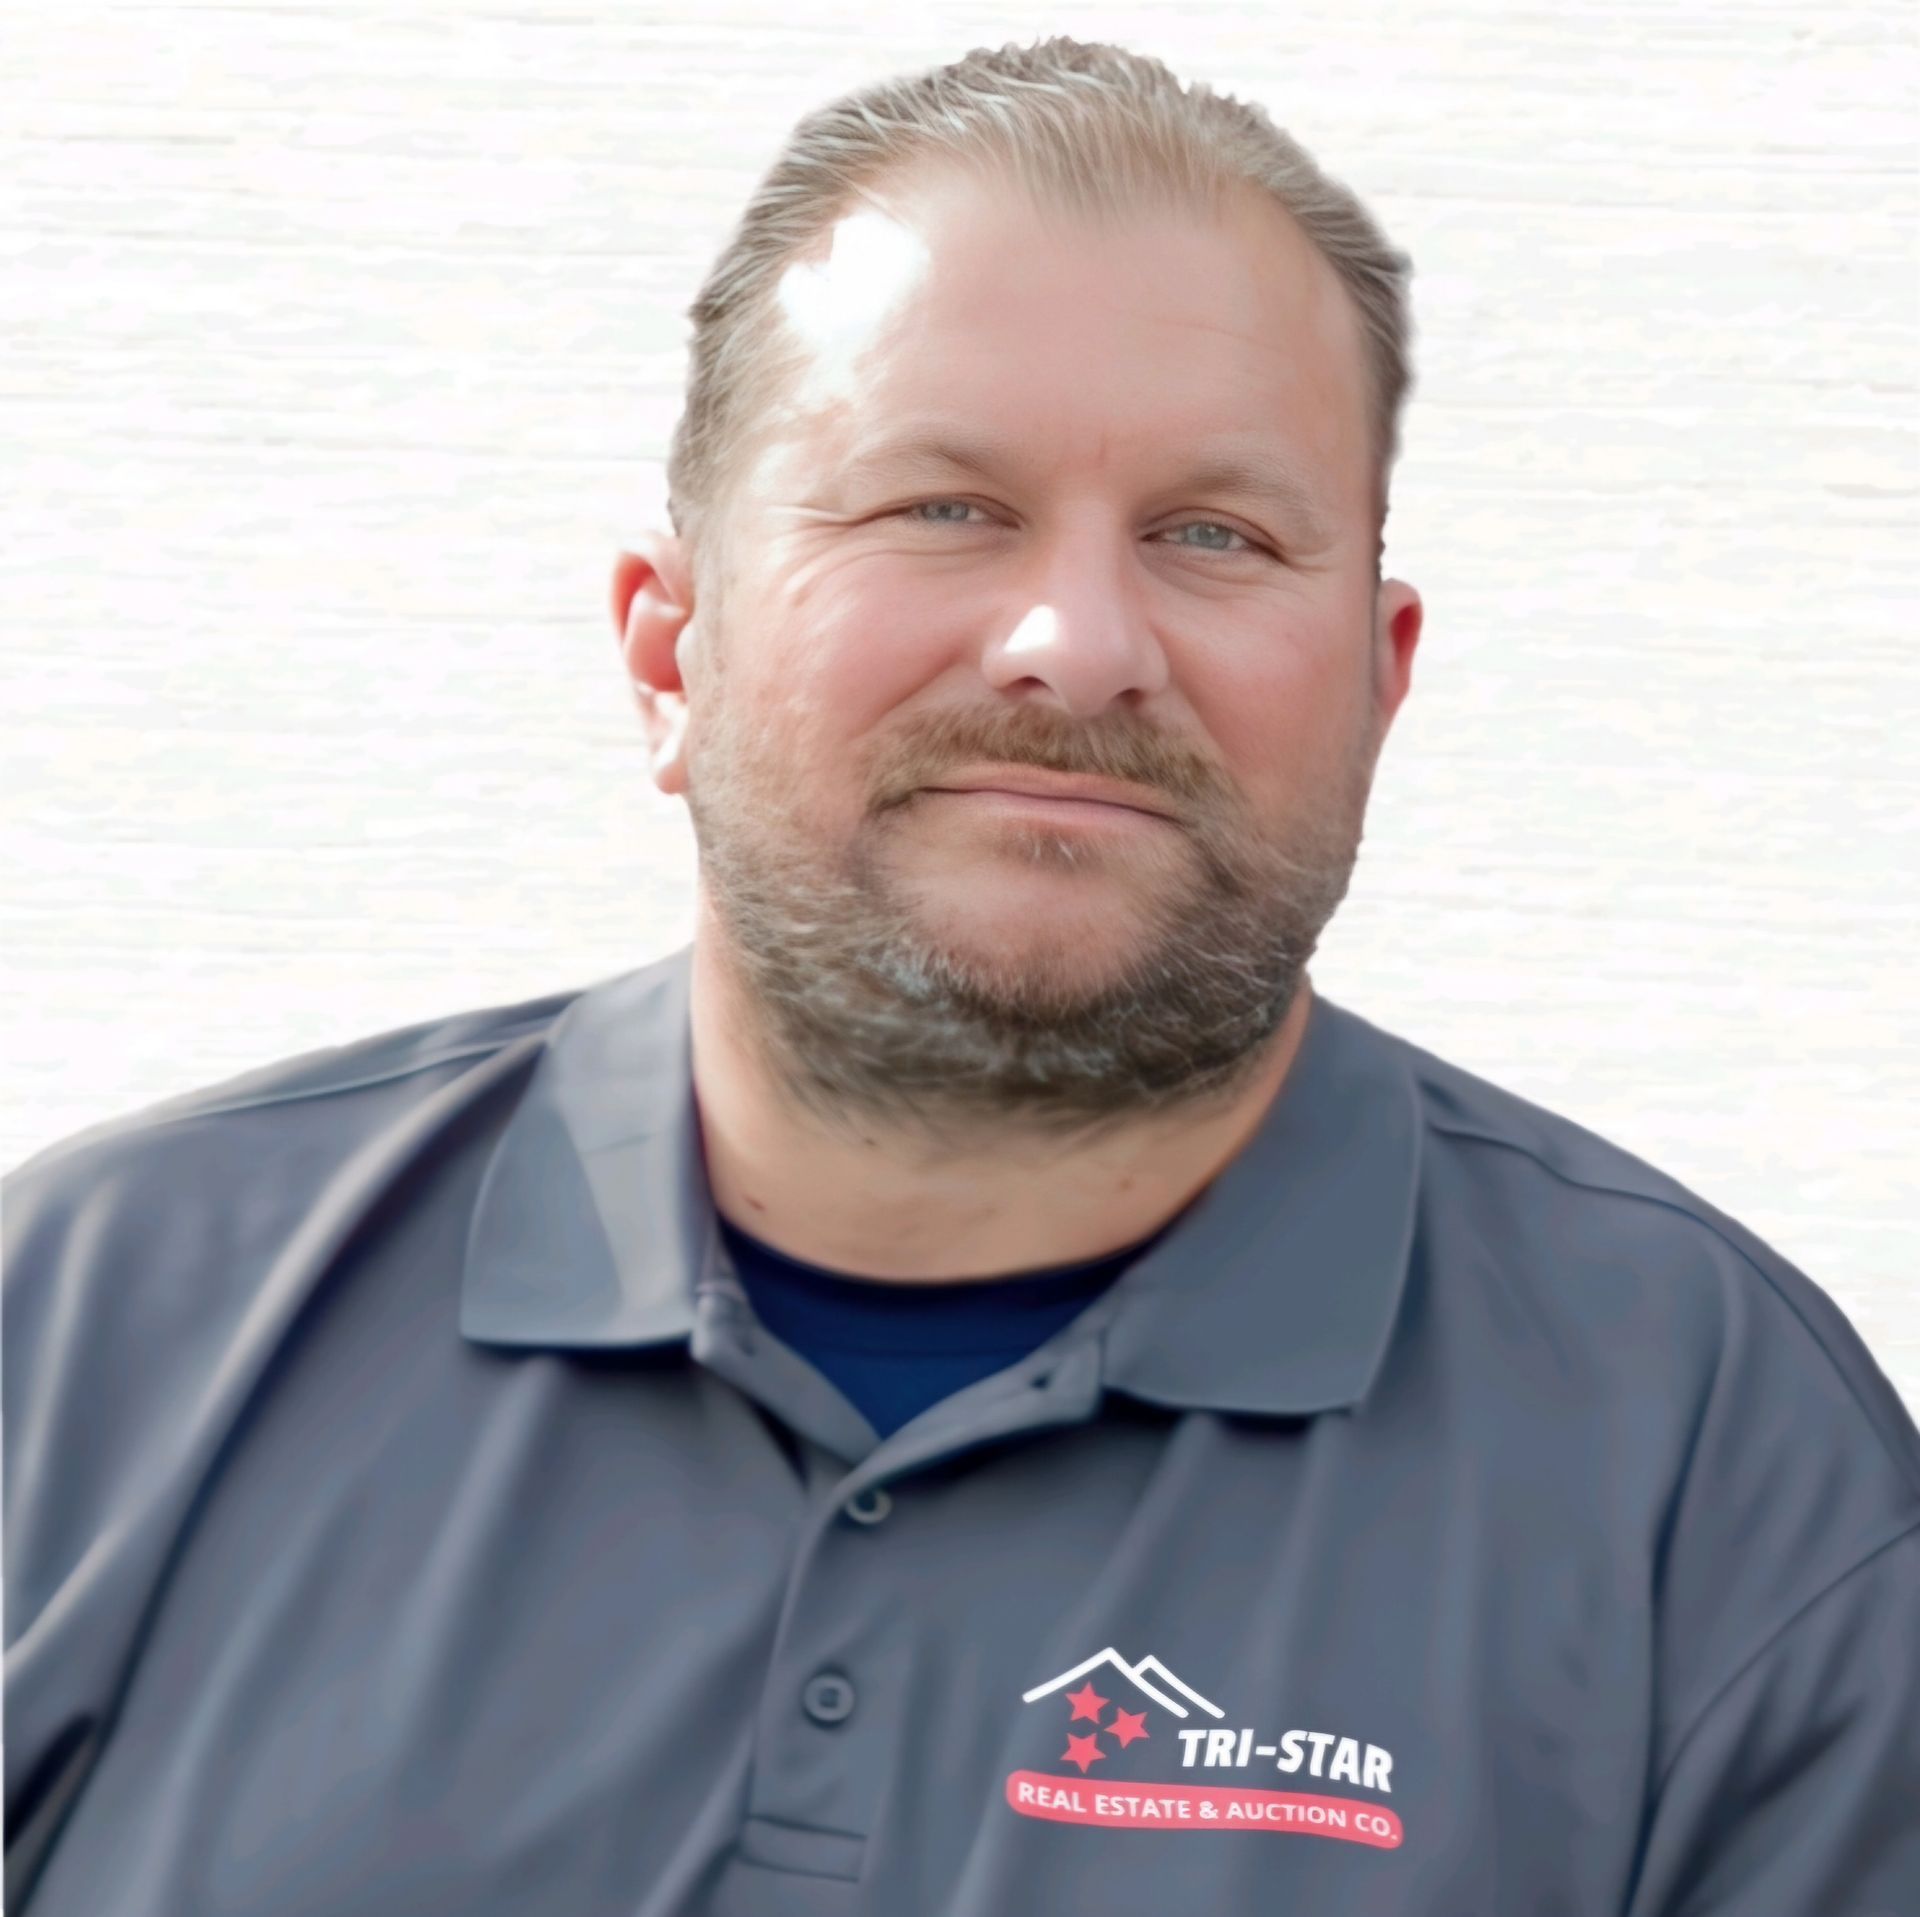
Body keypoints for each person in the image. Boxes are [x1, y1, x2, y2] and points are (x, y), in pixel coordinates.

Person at [5, 32, 1916, 1917]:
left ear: (1381, 679)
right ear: (671, 652)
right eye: (944, 505)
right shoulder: (87, 1340)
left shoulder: (1728, 1481)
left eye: (1213, 533)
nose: (1077, 643)